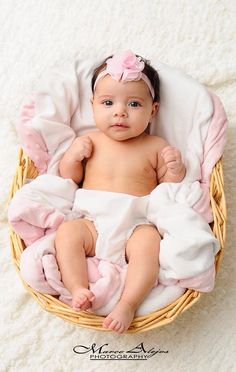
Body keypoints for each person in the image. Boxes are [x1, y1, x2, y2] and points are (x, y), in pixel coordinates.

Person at [55, 50, 186, 333]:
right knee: (67, 234)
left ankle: (128, 302)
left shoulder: (155, 145)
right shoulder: (89, 140)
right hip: (92, 222)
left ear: (153, 110)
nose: (120, 112)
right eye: (108, 102)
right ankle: (78, 287)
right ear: (93, 106)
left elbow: (170, 188)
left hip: (135, 224)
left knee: (149, 245)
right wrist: (72, 158)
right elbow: (70, 178)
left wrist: (174, 168)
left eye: (134, 103)